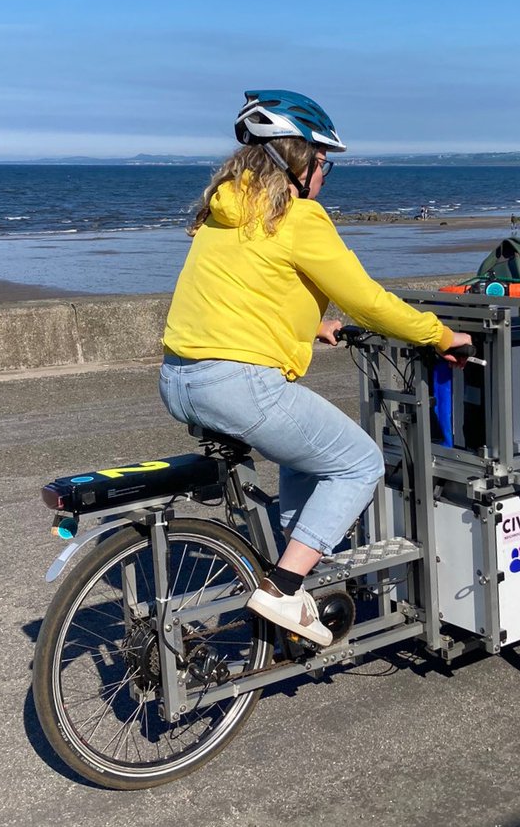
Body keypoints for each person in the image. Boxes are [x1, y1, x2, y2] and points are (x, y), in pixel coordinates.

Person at [159, 90, 472, 647]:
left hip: (181, 378)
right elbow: (367, 302)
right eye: (323, 160)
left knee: (307, 450)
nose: (326, 172)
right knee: (358, 463)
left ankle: (292, 557)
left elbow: (239, 296)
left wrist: (308, 328)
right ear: (294, 161)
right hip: (238, 384)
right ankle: (283, 590)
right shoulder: (299, 216)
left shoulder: (224, 213)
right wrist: (440, 334)